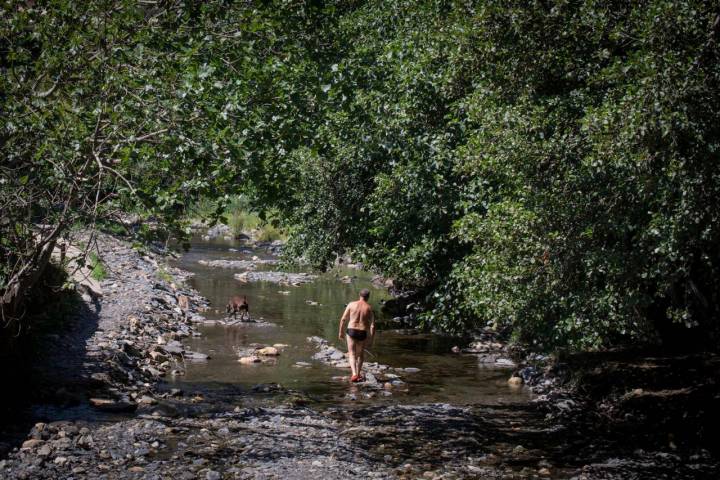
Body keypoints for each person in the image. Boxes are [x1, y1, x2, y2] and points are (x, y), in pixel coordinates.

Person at [338, 288, 375, 382]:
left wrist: (341, 332)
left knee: (352, 353)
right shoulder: (369, 308)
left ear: (360, 295)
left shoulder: (351, 304)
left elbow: (343, 319)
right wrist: (371, 339)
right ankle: (358, 374)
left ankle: (354, 374)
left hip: (351, 331)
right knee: (360, 354)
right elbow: (372, 325)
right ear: (368, 297)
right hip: (362, 332)